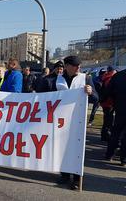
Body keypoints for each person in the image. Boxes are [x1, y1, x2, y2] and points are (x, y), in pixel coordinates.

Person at [38, 55, 98, 190]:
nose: (78, 68)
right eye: (75, 66)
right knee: (62, 148)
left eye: (79, 66)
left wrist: (90, 92)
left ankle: (77, 179)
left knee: (76, 148)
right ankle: (64, 174)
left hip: (78, 121)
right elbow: (44, 97)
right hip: (59, 121)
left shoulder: (86, 78)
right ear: (66, 66)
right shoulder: (55, 79)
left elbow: (96, 98)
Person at [105, 68, 126, 166]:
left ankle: (109, 154)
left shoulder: (118, 76)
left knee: (116, 132)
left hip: (120, 107)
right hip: (120, 106)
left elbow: (109, 91)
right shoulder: (118, 76)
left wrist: (115, 100)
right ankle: (124, 159)